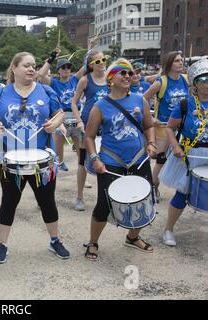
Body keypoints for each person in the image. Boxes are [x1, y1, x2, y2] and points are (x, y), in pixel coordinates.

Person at [0, 52, 69, 264]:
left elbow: (60, 113)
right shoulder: (1, 94)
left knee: (47, 202)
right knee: (9, 202)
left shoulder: (46, 91)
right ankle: (3, 245)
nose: (31, 69)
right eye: (26, 65)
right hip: (10, 161)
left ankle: (55, 240)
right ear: (14, 68)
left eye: (34, 66)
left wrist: (55, 124)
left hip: (42, 161)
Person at [84, 59, 157, 261]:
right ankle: (93, 242)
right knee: (104, 205)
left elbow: (149, 126)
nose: (127, 76)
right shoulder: (100, 106)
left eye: (129, 73)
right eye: (122, 73)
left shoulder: (139, 100)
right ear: (111, 79)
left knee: (142, 200)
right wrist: (94, 158)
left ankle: (133, 238)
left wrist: (150, 143)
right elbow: (89, 136)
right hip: (111, 162)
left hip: (138, 160)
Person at [159, 58, 208, 246]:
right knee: (182, 193)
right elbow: (170, 128)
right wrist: (175, 147)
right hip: (190, 155)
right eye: (204, 80)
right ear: (195, 83)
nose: (207, 83)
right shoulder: (184, 104)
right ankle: (168, 229)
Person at [144, 51, 190, 201]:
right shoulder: (161, 82)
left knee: (182, 156)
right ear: (170, 63)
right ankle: (153, 185)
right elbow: (143, 100)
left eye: (181, 60)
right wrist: (151, 118)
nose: (181, 63)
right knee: (161, 159)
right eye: (177, 61)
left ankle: (183, 188)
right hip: (163, 126)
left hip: (181, 126)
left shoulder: (185, 79)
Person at [71, 50, 109, 211]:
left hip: (107, 123)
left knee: (107, 160)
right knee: (83, 162)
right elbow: (74, 103)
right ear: (91, 65)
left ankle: (107, 197)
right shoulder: (85, 80)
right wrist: (79, 121)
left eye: (104, 59)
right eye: (98, 61)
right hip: (87, 124)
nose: (102, 63)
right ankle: (79, 197)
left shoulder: (111, 78)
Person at [38, 50, 86, 172]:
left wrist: (90, 47)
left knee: (80, 148)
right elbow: (41, 75)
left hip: (75, 115)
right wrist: (52, 57)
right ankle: (59, 164)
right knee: (58, 149)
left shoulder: (75, 79)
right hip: (60, 116)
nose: (66, 69)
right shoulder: (53, 82)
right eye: (63, 67)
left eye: (68, 67)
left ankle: (82, 170)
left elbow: (87, 65)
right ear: (58, 70)